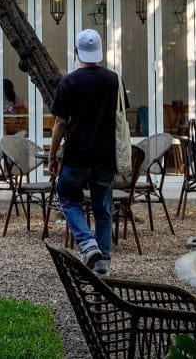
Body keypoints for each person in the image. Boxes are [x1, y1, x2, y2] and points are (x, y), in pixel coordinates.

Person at [48, 29, 122, 277]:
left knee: (68, 198)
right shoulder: (113, 80)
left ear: (76, 52)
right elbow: (120, 115)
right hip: (105, 156)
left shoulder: (69, 82)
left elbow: (60, 122)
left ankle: (88, 244)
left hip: (77, 154)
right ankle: (103, 264)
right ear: (101, 51)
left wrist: (52, 156)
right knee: (103, 208)